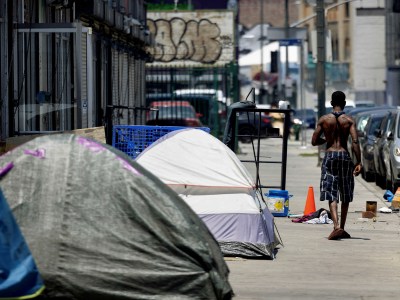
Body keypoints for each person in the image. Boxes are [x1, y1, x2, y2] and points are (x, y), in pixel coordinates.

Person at [311, 91, 362, 240]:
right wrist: (358, 161)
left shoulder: (324, 120)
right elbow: (355, 142)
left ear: (331, 103)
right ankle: (343, 228)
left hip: (330, 155)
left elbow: (314, 141)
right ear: (344, 103)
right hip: (344, 156)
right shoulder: (349, 120)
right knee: (345, 192)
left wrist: (326, 141)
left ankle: (336, 226)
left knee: (331, 191)